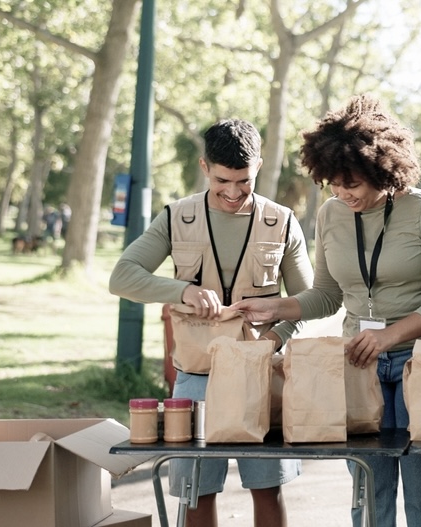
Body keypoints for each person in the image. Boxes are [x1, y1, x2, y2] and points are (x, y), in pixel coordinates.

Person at [231, 94, 421, 527]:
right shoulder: (331, 214)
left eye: (352, 183)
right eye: (333, 183)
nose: (342, 193)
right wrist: (274, 307)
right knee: (367, 488)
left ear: (382, 169)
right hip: (361, 361)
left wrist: (389, 336)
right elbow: (326, 295)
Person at [109, 118, 312, 527]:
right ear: (205, 167)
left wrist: (275, 338)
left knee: (267, 489)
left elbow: (308, 301)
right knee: (196, 493)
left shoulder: (283, 221)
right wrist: (181, 291)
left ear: (257, 167)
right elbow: (122, 277)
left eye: (244, 181)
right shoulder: (176, 217)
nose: (234, 192)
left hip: (262, 374)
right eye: (223, 180)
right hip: (195, 377)